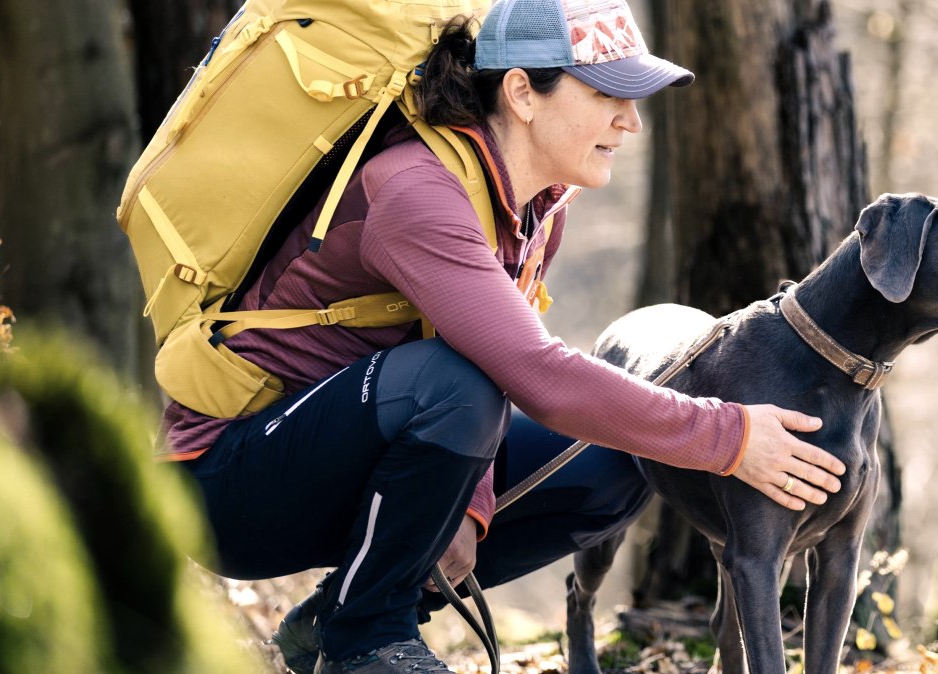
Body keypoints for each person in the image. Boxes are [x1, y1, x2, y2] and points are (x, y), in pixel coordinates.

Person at [159, 1, 847, 672]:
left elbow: (496, 360)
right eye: (608, 93)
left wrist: (473, 503)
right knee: (451, 385)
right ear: (521, 91)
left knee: (620, 463)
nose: (631, 121)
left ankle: (338, 616)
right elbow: (531, 373)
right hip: (231, 486)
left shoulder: (534, 208)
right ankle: (367, 638)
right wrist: (729, 436)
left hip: (353, 460)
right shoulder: (414, 191)